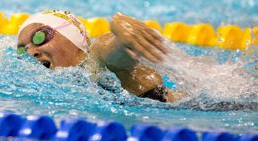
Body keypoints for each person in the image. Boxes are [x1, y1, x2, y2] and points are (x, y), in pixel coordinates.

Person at [17, 10, 184, 103]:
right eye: (23, 50)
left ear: (74, 38)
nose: (31, 52)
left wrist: (120, 32)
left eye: (39, 37)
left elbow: (107, 50)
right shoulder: (69, 85)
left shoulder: (93, 62)